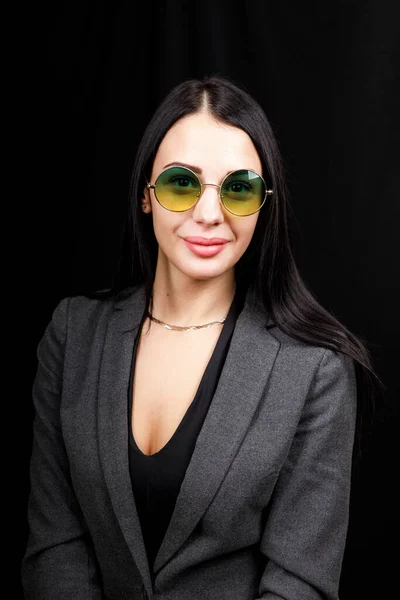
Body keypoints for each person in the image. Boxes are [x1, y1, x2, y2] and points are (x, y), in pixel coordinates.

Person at [21, 74, 382, 600]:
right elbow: (56, 547)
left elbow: (300, 585)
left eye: (238, 188)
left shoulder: (315, 370)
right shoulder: (72, 333)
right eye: (180, 183)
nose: (209, 214)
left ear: (263, 205)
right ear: (146, 195)